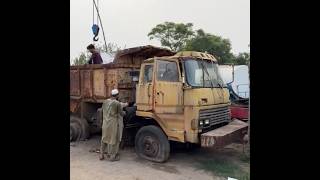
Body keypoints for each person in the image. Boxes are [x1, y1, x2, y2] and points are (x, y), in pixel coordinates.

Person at [100, 89, 128, 161]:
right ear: (117, 95)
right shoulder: (117, 103)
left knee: (104, 138)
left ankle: (101, 155)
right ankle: (112, 157)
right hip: (113, 124)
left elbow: (102, 111)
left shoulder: (105, 101)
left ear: (111, 95)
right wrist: (125, 113)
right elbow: (121, 113)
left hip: (105, 123)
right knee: (113, 139)